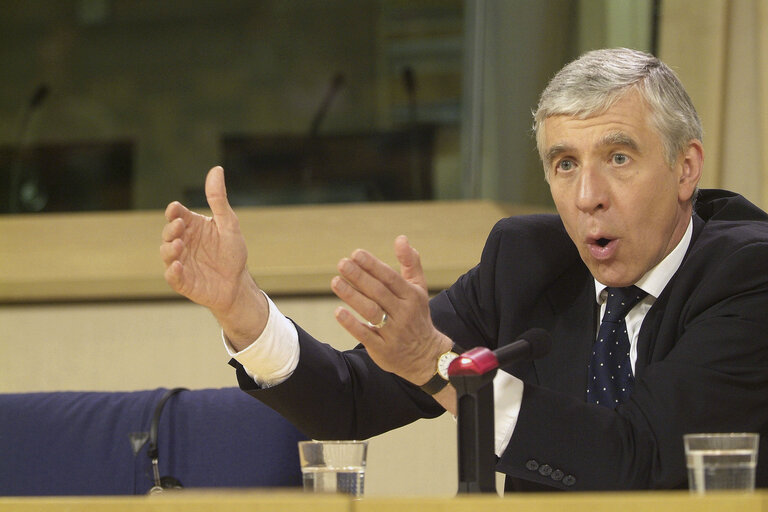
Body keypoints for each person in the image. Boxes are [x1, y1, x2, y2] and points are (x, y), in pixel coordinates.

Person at [160, 48, 768, 491]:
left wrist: (440, 366)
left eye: (617, 157)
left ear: (686, 168)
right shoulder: (527, 263)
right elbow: (350, 402)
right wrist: (241, 309)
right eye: (563, 164)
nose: (588, 195)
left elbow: (638, 463)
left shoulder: (748, 274)